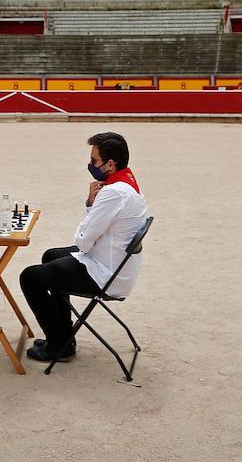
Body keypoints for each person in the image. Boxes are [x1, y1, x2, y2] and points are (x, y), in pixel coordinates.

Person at [18, 132, 148, 363]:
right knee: (51, 256)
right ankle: (63, 337)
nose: (90, 165)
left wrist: (90, 206)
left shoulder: (113, 193)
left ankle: (59, 346)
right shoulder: (128, 184)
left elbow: (83, 241)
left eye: (94, 161)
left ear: (110, 163)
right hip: (114, 262)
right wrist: (91, 204)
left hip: (106, 274)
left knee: (30, 277)